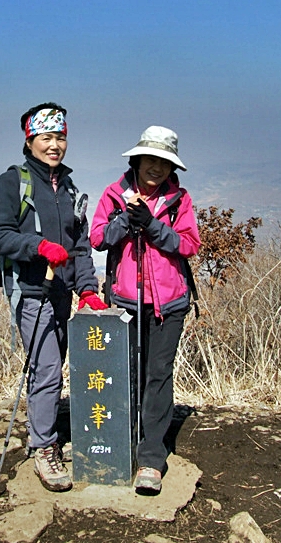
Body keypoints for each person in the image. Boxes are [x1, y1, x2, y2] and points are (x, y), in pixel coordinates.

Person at [0, 102, 108, 492]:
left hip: (61, 291)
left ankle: (43, 432)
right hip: (31, 290)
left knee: (52, 365)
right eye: (46, 137)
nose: (54, 145)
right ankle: (44, 446)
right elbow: (0, 236)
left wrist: (88, 289)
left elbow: (79, 247)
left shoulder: (69, 188)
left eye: (60, 137)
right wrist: (39, 247)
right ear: (30, 139)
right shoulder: (12, 183)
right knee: (47, 368)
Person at [89, 125, 201, 494]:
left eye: (164, 163)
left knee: (158, 375)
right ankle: (124, 445)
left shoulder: (179, 200)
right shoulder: (114, 194)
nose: (156, 168)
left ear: (172, 169)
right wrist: (125, 221)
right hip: (126, 300)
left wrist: (152, 227)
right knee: (128, 376)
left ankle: (151, 458)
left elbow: (188, 245)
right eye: (151, 159)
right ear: (137, 159)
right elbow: (99, 238)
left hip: (169, 304)